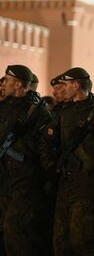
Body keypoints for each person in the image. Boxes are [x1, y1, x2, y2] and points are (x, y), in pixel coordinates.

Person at [51, 67, 94, 255]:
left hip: (88, 184)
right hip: (65, 182)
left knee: (83, 240)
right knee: (60, 241)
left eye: (65, 84)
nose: (61, 88)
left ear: (76, 85)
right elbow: (51, 143)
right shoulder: (62, 112)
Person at [0, 65, 53, 255]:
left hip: (25, 182)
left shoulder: (38, 112)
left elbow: (46, 148)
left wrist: (21, 145)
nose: (3, 83)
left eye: (7, 80)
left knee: (16, 231)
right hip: (4, 179)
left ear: (19, 84)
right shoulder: (4, 106)